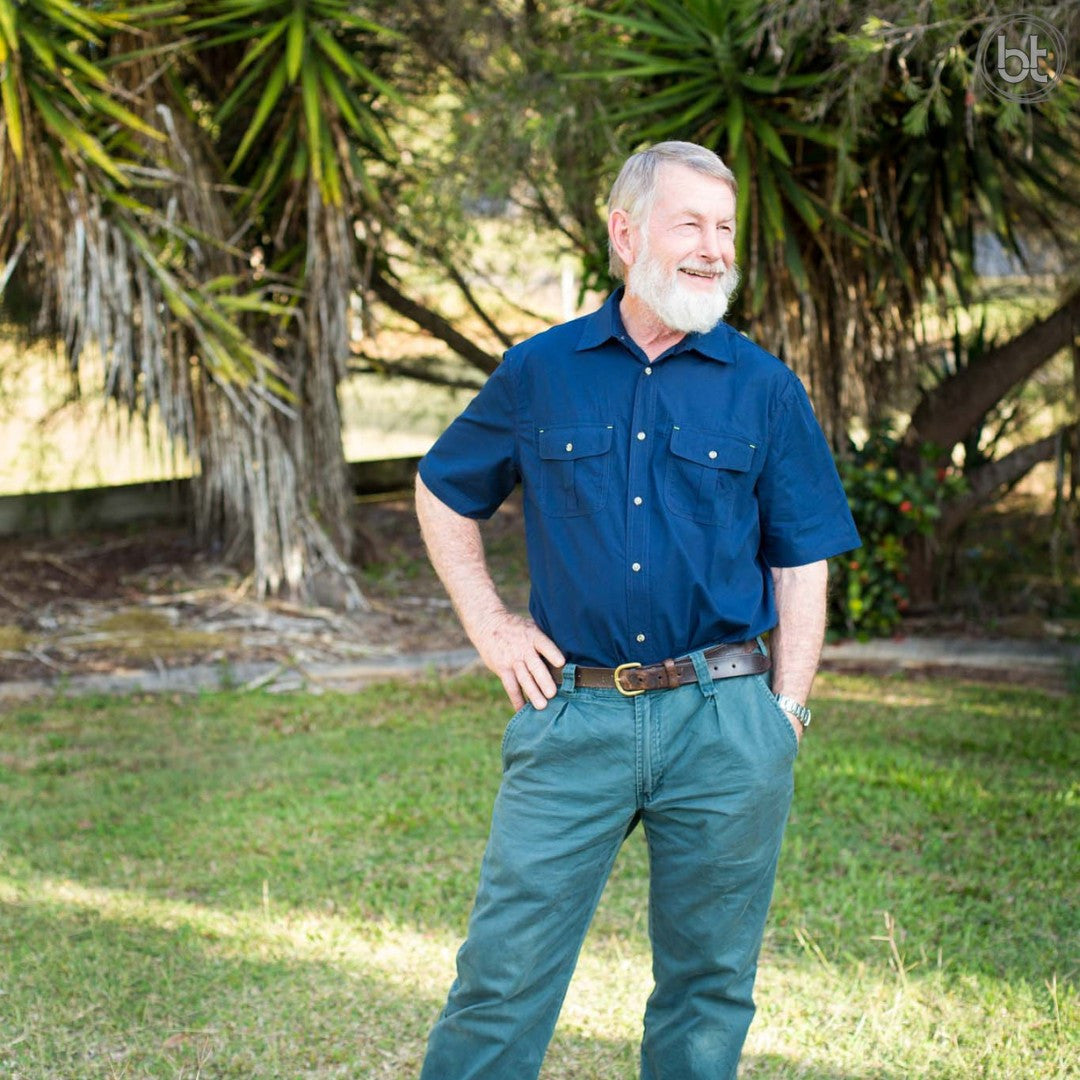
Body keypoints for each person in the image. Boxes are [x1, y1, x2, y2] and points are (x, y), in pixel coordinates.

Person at [414, 140, 861, 1080]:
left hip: (726, 720)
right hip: (572, 717)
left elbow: (802, 558)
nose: (712, 248)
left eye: (726, 228)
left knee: (708, 988)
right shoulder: (542, 372)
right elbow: (443, 490)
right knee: (502, 976)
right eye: (689, 223)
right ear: (625, 233)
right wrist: (492, 627)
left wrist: (787, 711)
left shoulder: (766, 389)